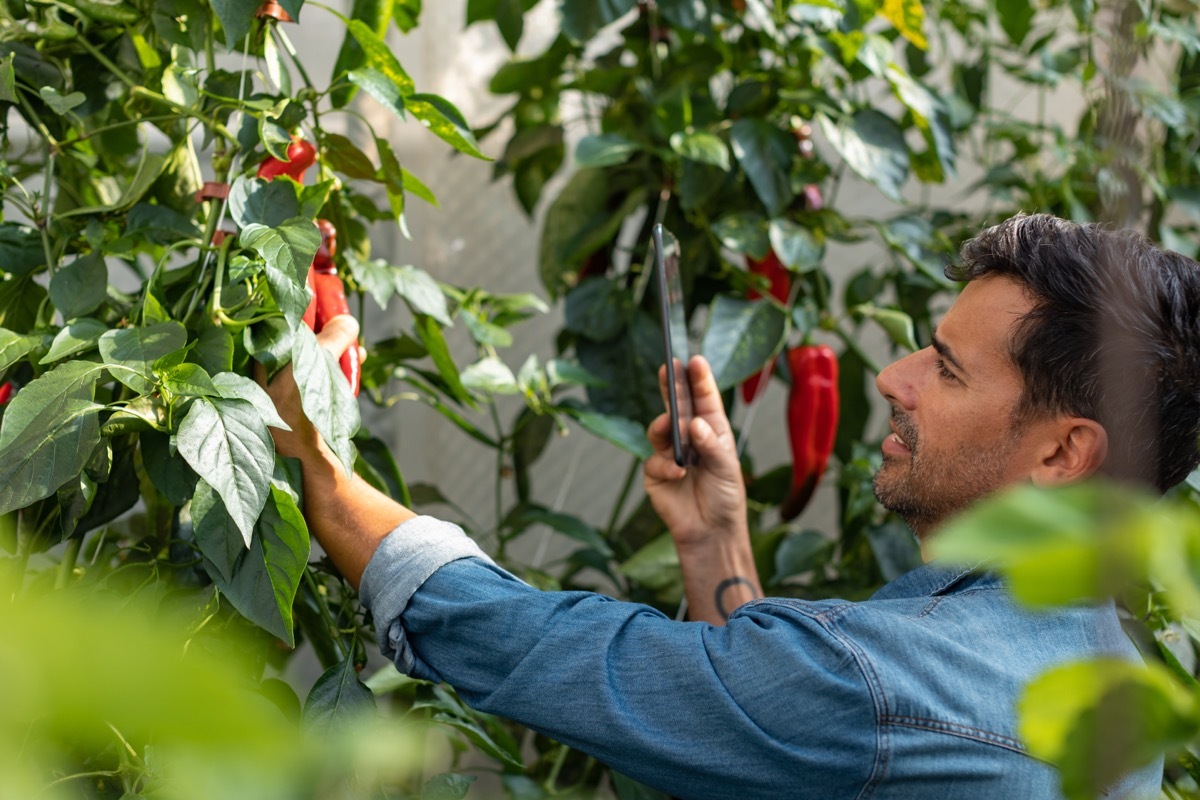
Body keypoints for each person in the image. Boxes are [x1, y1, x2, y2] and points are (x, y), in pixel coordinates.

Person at [264, 213, 1200, 799]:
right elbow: (784, 738)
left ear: (1064, 453)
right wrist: (718, 546)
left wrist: (324, 474)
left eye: (946, 370)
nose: (893, 377)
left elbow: (562, 653)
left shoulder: (894, 689)